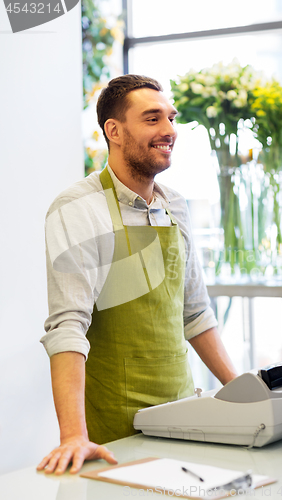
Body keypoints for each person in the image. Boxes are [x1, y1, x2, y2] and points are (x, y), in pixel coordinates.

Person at [37, 74, 237, 476]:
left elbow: (195, 314)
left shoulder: (175, 206)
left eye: (171, 117)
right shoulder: (78, 207)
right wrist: (73, 436)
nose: (169, 131)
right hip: (117, 429)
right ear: (114, 130)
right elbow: (68, 326)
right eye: (152, 119)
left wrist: (245, 394)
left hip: (184, 414)